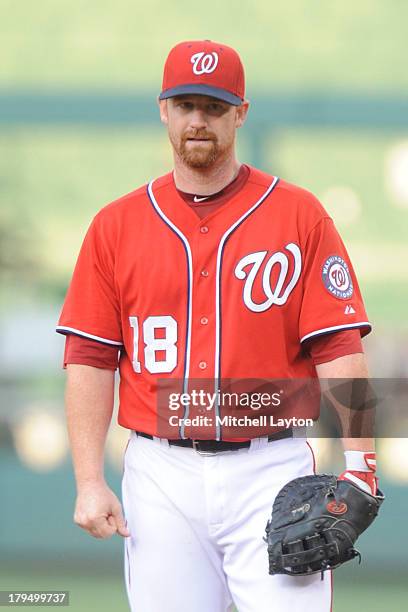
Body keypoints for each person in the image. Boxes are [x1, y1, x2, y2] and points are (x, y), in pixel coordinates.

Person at [56, 40, 379, 612]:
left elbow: (339, 347)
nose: (198, 119)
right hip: (161, 475)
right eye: (186, 104)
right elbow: (89, 358)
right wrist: (88, 479)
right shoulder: (115, 225)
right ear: (164, 109)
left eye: (214, 105)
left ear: (241, 112)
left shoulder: (299, 215)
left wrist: (361, 467)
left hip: (272, 467)